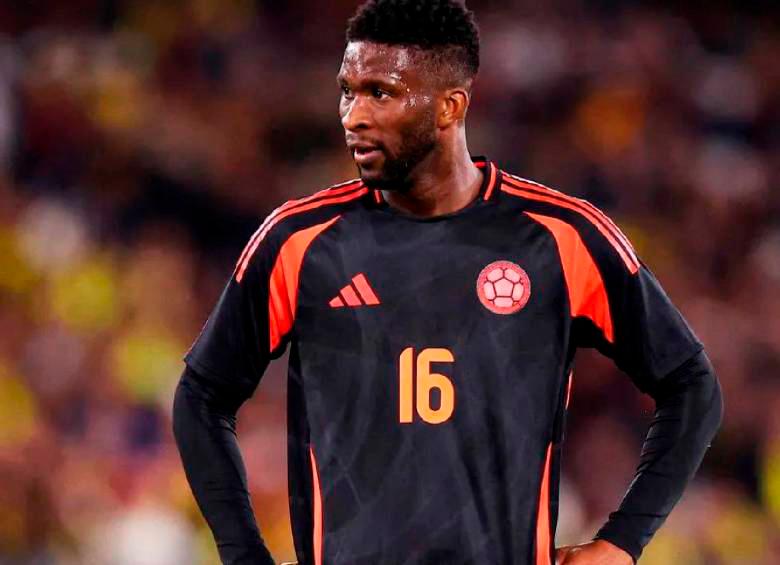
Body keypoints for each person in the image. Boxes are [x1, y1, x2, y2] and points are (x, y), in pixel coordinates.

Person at [173, 1, 723, 563]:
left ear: (449, 106)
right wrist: (244, 554)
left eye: (380, 93)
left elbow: (690, 385)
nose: (353, 115)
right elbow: (201, 396)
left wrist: (621, 543)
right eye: (347, 90)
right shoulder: (299, 240)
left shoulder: (561, 237)